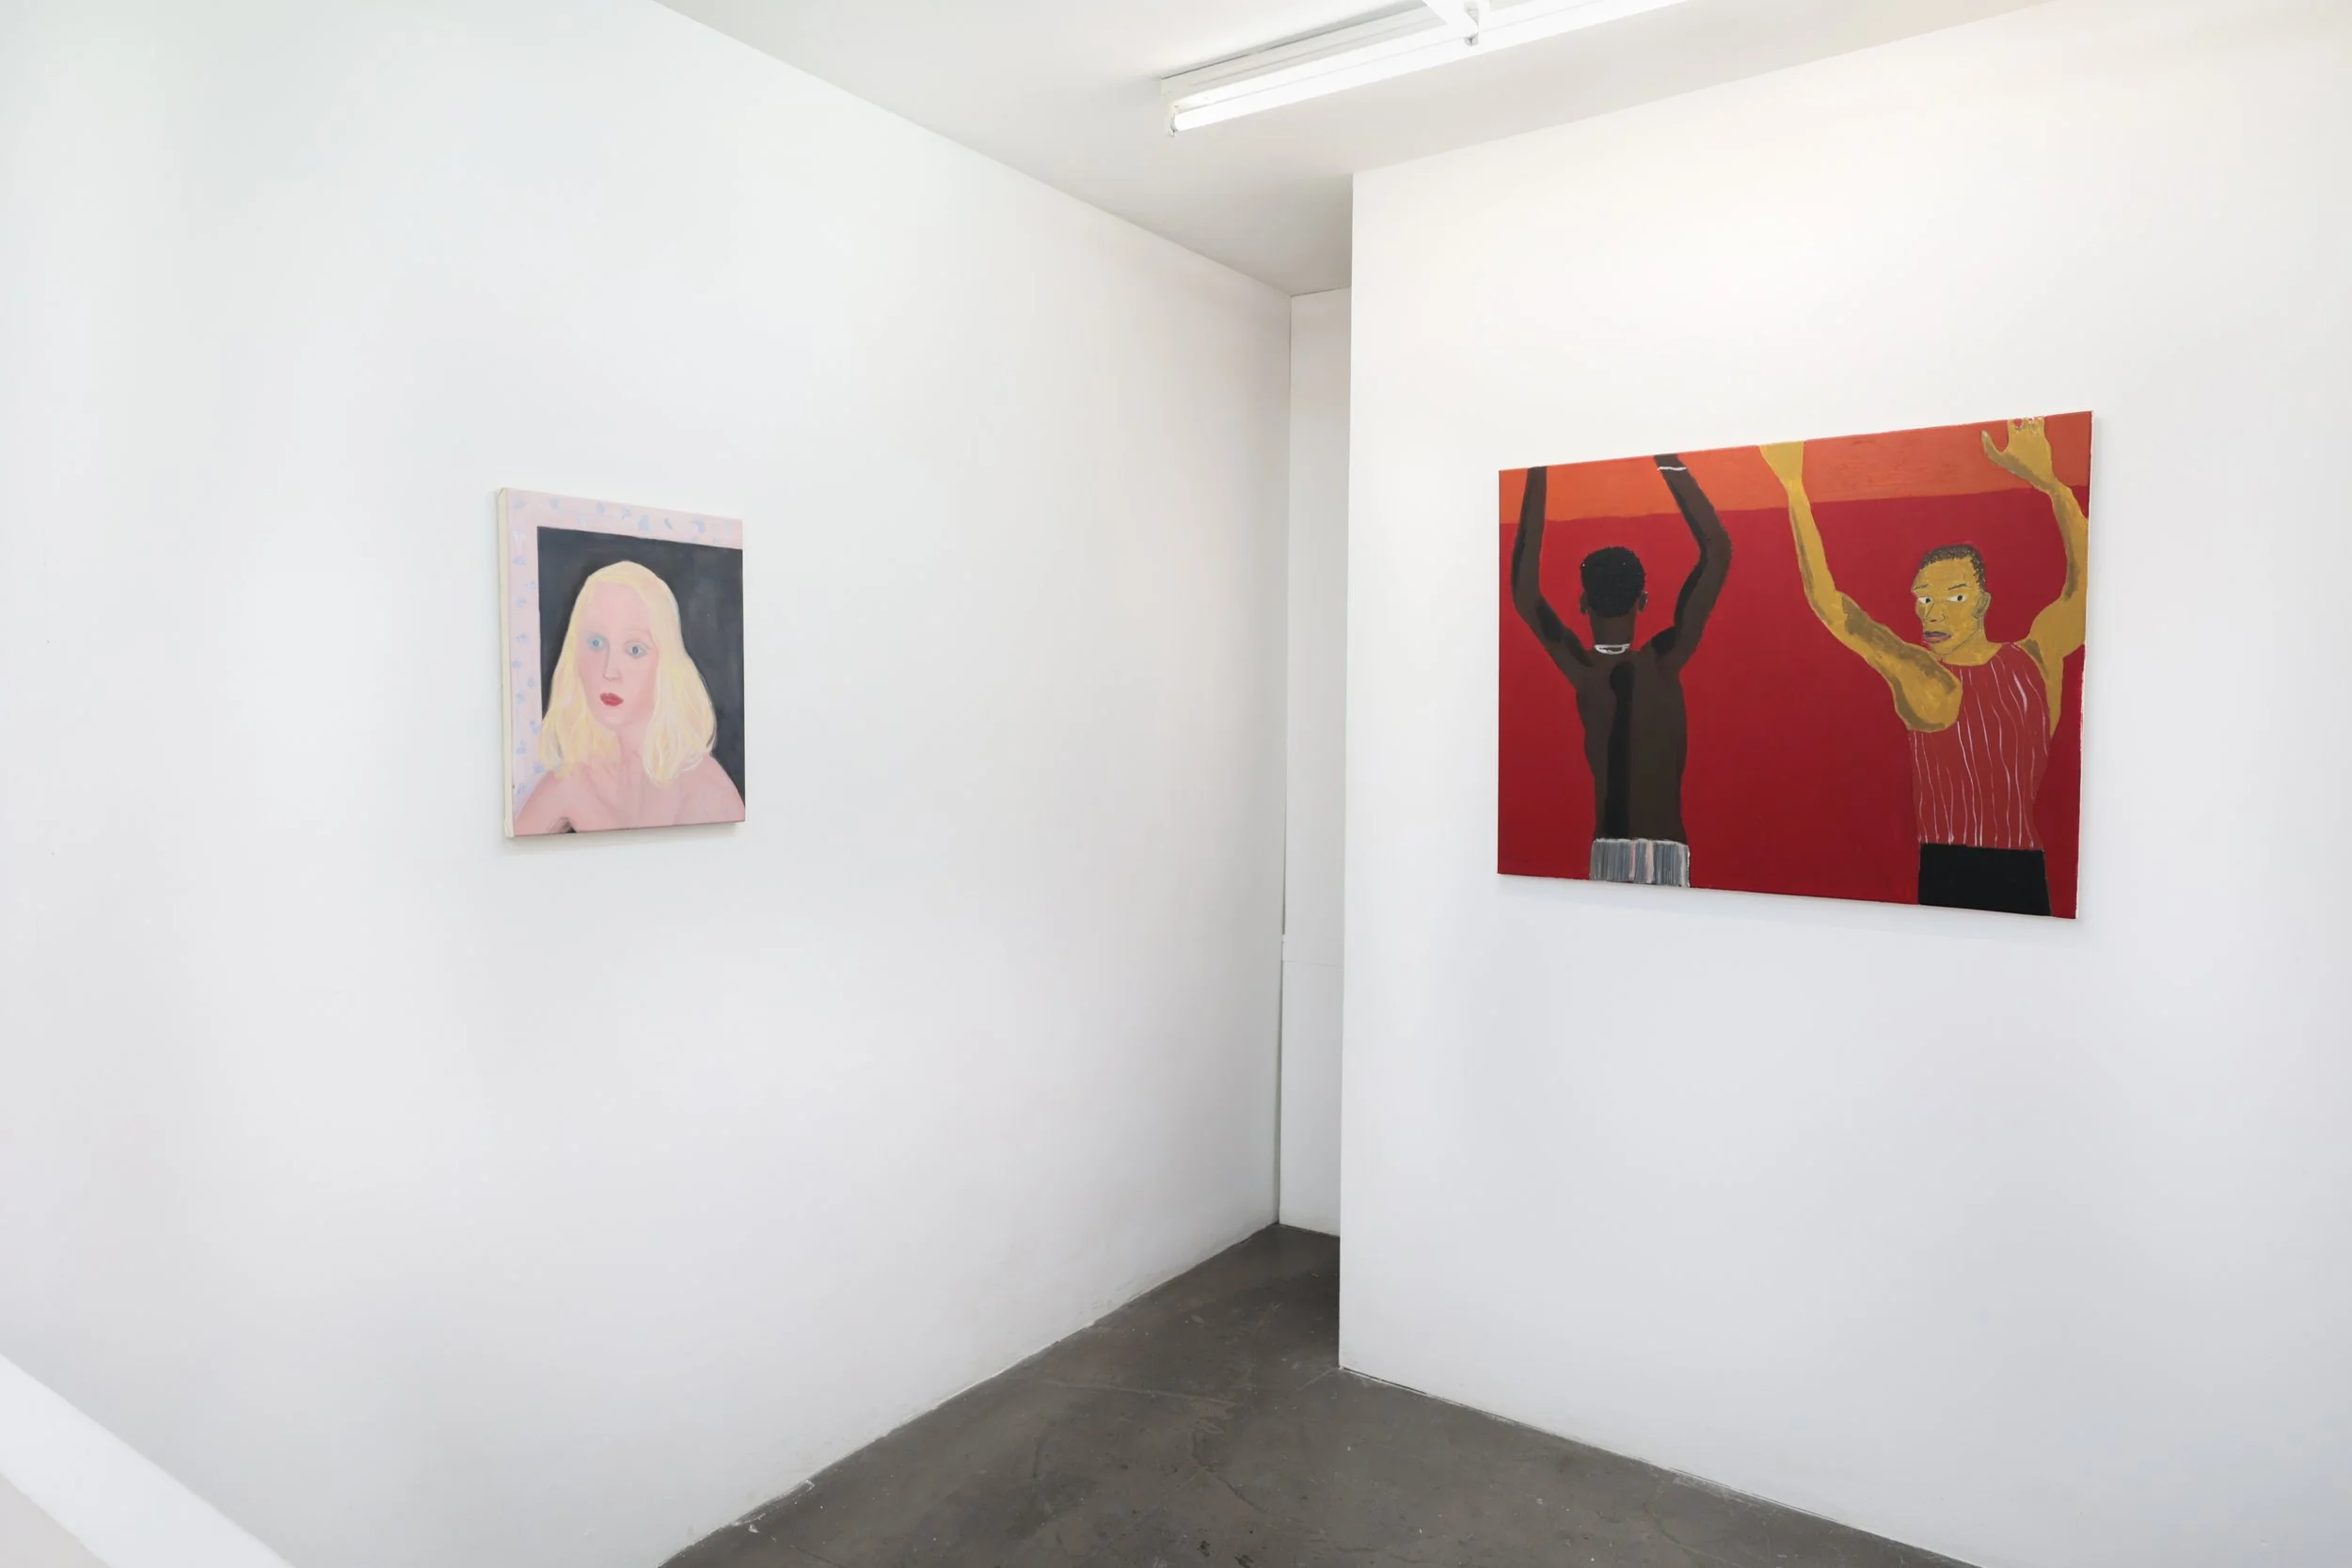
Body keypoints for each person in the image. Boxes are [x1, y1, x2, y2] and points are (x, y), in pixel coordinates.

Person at [1760, 418, 2087, 914]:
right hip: (1997, 872)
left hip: (1970, 872)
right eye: (1924, 598)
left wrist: (2053, 485)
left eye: (1954, 597)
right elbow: (1834, 608)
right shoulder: (1942, 676)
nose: (1934, 612)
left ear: (1983, 602)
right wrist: (2054, 486)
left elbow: (2085, 595)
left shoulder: (2008, 665)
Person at [1510, 454, 1732, 887]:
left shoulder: (1585, 671)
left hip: (1609, 848)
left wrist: (1538, 469)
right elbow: (1718, 550)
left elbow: (1525, 593)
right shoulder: (1664, 659)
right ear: (1643, 601)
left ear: (1583, 604)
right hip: (1667, 850)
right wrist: (1667, 461)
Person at [514, 561, 745, 834]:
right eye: (596, 643)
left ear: (665, 664)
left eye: (635, 649)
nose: (609, 671)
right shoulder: (576, 777)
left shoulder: (705, 790)